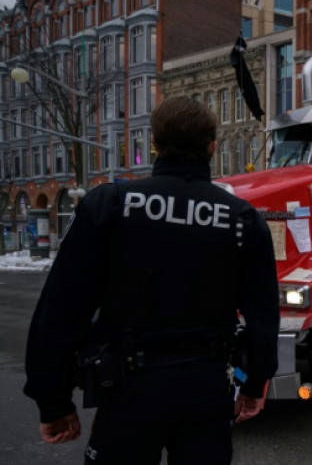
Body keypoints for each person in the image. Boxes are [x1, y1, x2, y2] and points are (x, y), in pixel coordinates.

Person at [23, 96, 279, 463]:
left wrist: (53, 400)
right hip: (206, 389)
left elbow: (62, 309)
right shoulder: (242, 218)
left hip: (129, 385)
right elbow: (263, 315)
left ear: (154, 144)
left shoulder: (110, 204)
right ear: (211, 147)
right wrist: (255, 384)